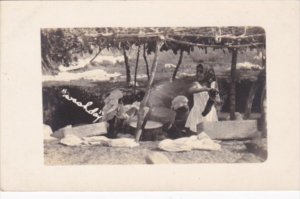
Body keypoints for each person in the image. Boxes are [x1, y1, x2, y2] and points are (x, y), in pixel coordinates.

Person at [185, 63, 219, 134]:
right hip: (198, 112)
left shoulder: (213, 84)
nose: (198, 74)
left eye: (201, 72)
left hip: (209, 112)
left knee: (210, 135)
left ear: (207, 73)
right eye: (197, 71)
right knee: (196, 135)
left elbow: (217, 99)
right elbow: (190, 91)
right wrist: (205, 89)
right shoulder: (195, 84)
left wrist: (215, 97)